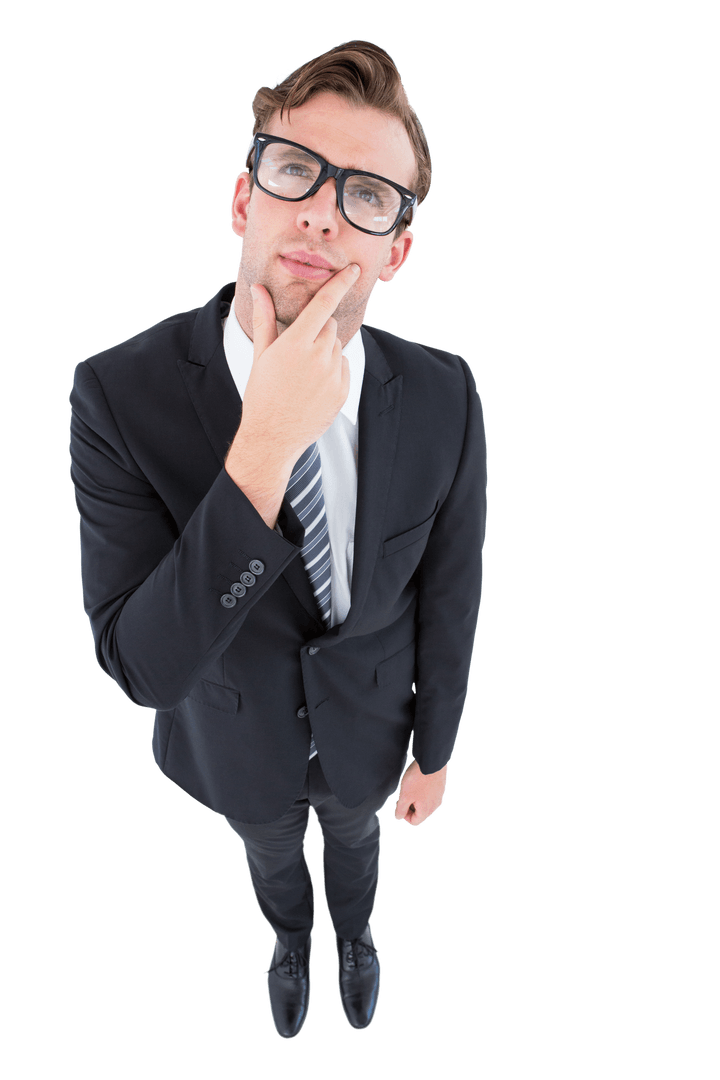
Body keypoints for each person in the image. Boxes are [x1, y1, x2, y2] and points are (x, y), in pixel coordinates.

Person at [68, 40, 487, 1038]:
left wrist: (435, 751)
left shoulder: (445, 392)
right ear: (244, 200)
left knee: (356, 854)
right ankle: (289, 942)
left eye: (368, 196)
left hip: (372, 737)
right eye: (298, 170)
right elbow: (139, 665)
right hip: (231, 740)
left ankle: (355, 939)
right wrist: (263, 446)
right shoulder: (115, 394)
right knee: (269, 860)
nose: (325, 210)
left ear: (397, 250)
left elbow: (453, 590)